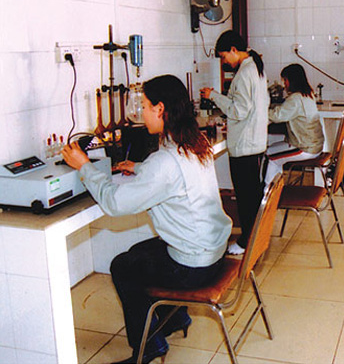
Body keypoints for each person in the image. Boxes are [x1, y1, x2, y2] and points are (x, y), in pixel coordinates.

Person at [62, 75, 232, 364]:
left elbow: (115, 204)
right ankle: (174, 317)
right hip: (214, 249)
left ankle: (149, 347)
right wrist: (140, 168)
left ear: (160, 109)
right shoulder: (194, 143)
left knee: (122, 267)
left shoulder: (164, 161)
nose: (141, 112)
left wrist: (85, 166)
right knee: (139, 252)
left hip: (194, 266)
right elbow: (171, 175)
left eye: (144, 105)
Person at [201, 30, 269, 256]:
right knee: (252, 196)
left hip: (244, 147)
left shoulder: (245, 73)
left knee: (246, 199)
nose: (224, 62)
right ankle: (255, 238)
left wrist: (213, 96)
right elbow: (248, 108)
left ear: (233, 50)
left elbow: (238, 110)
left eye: (223, 56)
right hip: (253, 142)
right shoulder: (255, 68)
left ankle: (246, 243)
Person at [264, 64, 325, 192]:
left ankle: (268, 194)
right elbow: (284, 111)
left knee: (270, 156)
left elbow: (277, 116)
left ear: (292, 80)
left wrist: (260, 110)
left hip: (305, 147)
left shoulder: (295, 99)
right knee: (272, 150)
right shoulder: (308, 94)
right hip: (315, 145)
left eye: (285, 80)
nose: (284, 84)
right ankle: (276, 190)